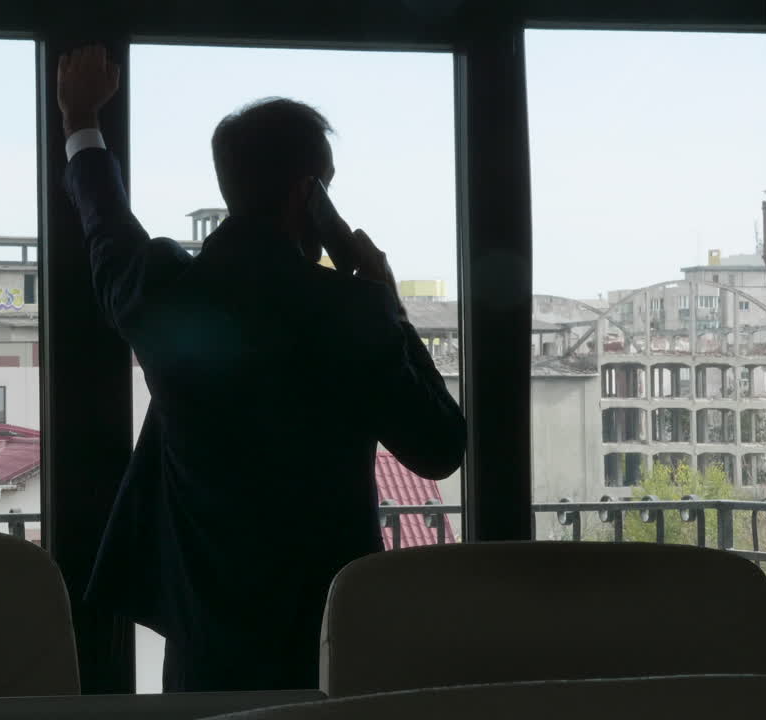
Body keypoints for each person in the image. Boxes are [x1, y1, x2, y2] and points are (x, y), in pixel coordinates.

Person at [57, 45, 466, 692]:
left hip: (204, 645)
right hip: (328, 647)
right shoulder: (349, 307)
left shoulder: (163, 294)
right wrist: (384, 295)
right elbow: (441, 445)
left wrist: (80, 121)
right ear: (311, 192)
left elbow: (105, 227)